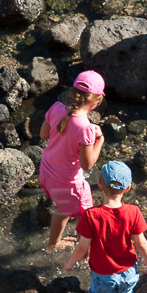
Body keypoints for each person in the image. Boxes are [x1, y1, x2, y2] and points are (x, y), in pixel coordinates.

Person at [64, 160, 147, 293]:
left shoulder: (91, 215)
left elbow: (81, 247)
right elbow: (141, 242)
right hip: (129, 271)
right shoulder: (133, 212)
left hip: (104, 275)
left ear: (100, 184)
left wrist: (70, 262)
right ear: (128, 188)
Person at [37, 70, 106, 250]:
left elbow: (44, 134)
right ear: (96, 101)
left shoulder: (56, 107)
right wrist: (99, 141)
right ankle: (77, 249)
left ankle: (56, 243)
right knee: (84, 214)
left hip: (46, 172)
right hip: (68, 183)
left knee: (64, 208)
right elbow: (87, 164)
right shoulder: (86, 130)